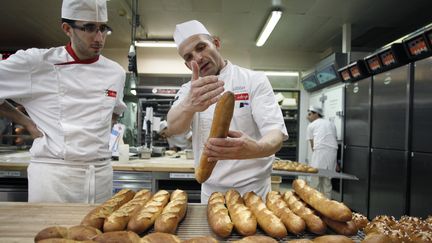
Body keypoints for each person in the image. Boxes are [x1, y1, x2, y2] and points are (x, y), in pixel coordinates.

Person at [0, 0, 127, 203]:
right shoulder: (36, 63)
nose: (99, 37)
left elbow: (115, 111)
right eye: (89, 28)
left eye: (103, 29)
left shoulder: (116, 72)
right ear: (67, 28)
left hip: (100, 174)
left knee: (98, 235)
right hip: (55, 177)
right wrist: (26, 122)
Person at [167, 20, 288, 203]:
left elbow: (275, 134)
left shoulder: (253, 80)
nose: (197, 58)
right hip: (211, 192)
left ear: (216, 43)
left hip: (254, 192)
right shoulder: (188, 91)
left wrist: (256, 149)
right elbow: (173, 127)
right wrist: (189, 105)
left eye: (201, 47)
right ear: (187, 65)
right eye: (189, 57)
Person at [306, 105, 338, 199]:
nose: (308, 117)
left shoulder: (311, 125)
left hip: (320, 152)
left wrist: (315, 155)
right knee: (327, 181)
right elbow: (334, 139)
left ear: (316, 114)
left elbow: (312, 144)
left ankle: (315, 203)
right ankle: (327, 204)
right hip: (332, 153)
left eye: (310, 114)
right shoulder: (331, 123)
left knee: (315, 181)